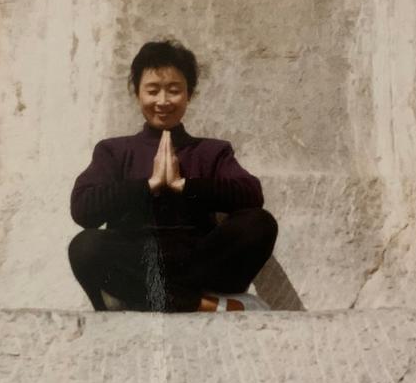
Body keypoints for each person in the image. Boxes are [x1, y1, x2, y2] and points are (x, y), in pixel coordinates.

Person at [68, 40, 277, 312]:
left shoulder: (212, 151)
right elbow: (82, 208)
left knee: (260, 223)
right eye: (153, 91)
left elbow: (251, 195)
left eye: (174, 90)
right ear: (137, 94)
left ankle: (143, 299)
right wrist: (148, 186)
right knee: (85, 247)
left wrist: (185, 186)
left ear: (189, 94)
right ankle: (204, 304)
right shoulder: (114, 151)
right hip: (138, 261)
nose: (163, 101)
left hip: (197, 264)